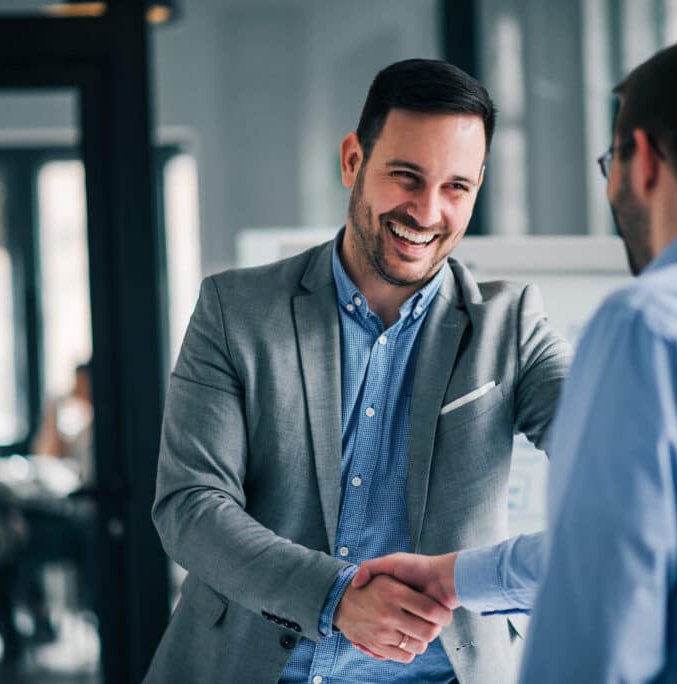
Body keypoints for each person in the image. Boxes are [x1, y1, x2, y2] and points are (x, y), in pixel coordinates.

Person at [354, 33, 677, 682]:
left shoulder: (653, 326)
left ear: (645, 161)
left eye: (611, 162)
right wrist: (455, 577)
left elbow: (596, 614)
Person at [145, 59, 572, 683]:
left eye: (457, 188)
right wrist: (335, 596)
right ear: (353, 161)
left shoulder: (512, 326)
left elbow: (620, 469)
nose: (428, 212)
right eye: (406, 176)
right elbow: (190, 506)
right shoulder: (235, 311)